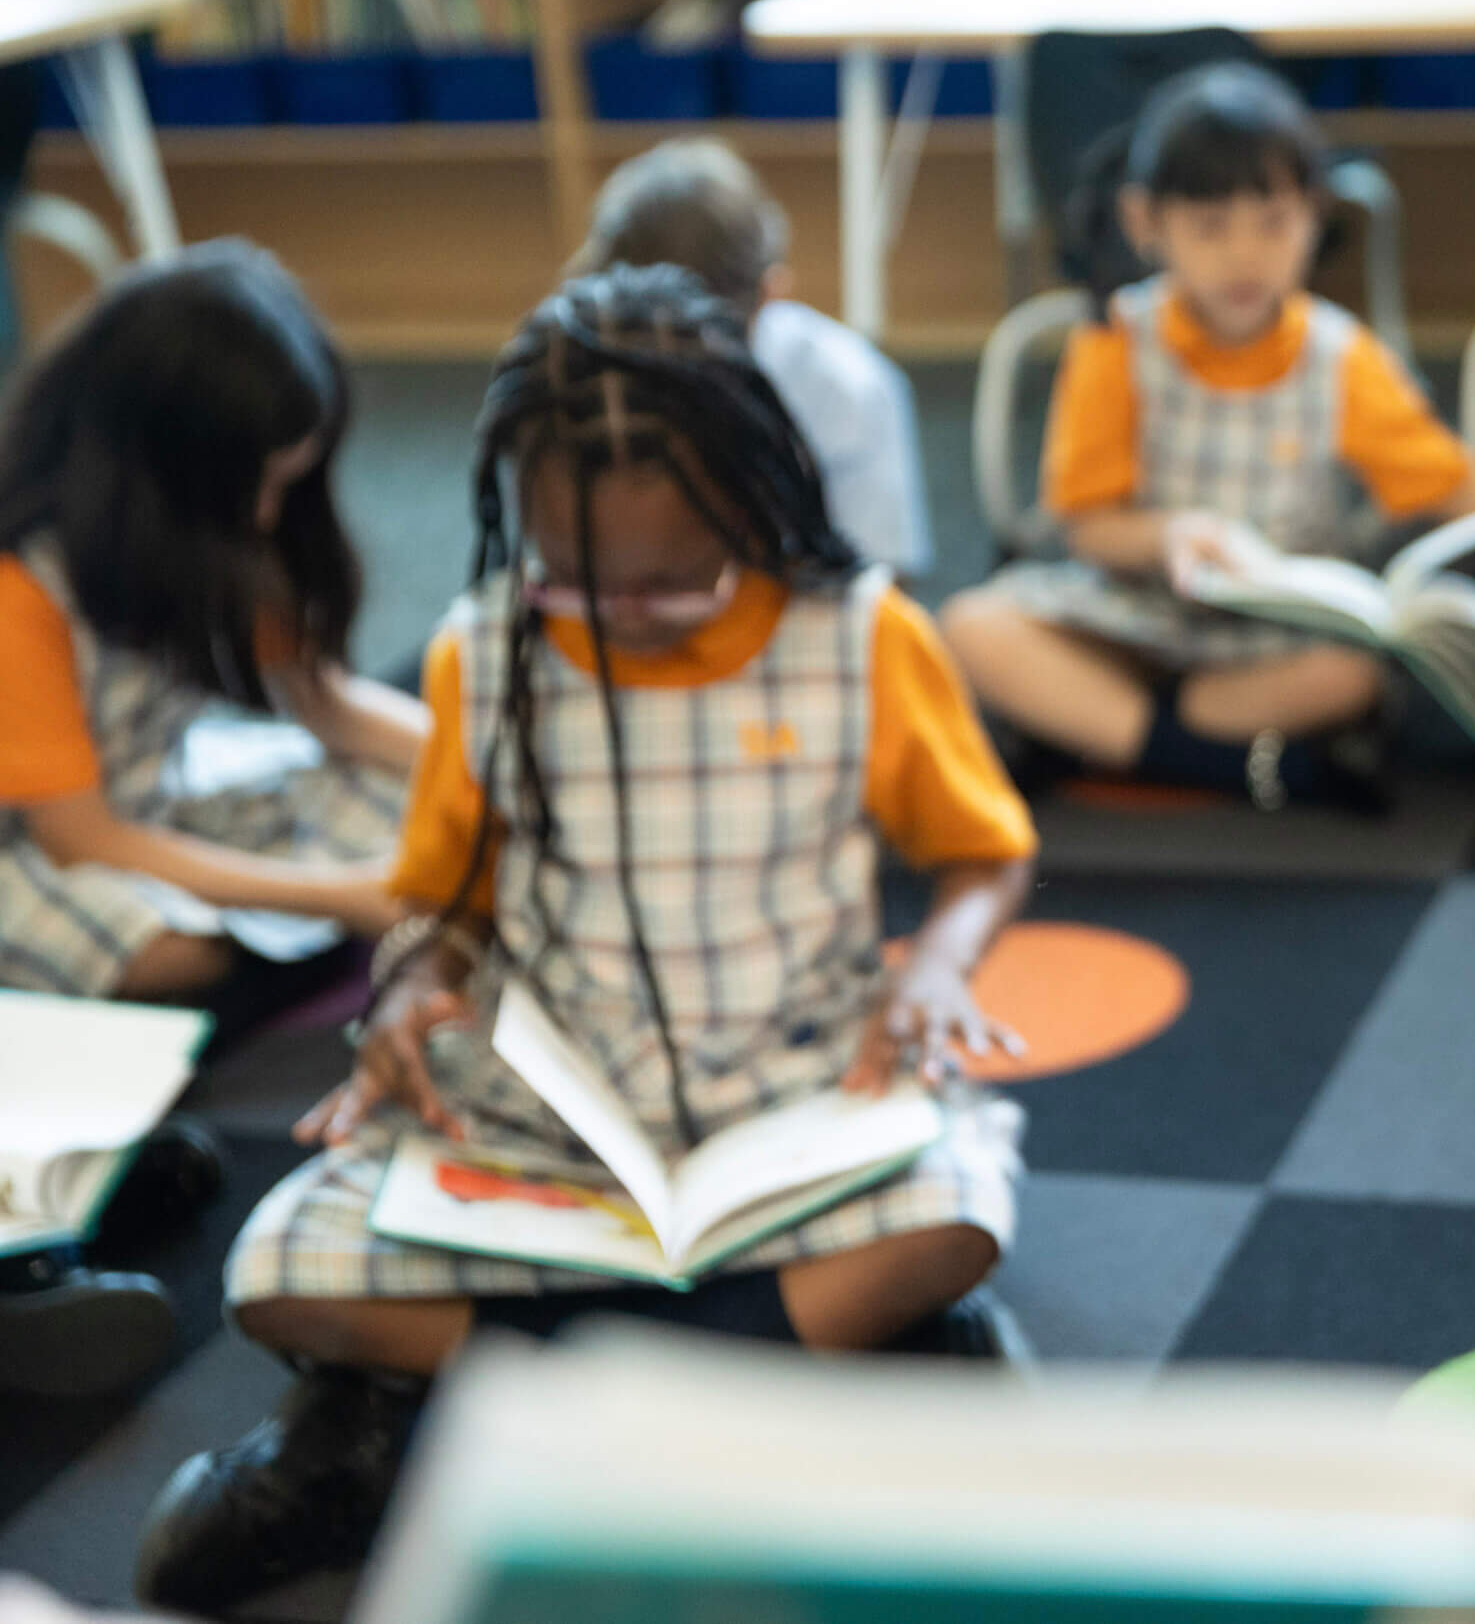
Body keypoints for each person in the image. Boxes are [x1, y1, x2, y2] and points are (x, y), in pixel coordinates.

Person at [133, 265, 1038, 1612]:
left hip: (798, 1098)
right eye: (574, 581)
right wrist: (407, 997)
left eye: (670, 583)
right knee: (273, 1273)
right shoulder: (483, 654)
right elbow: (442, 907)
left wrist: (946, 964)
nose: (616, 615)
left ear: (753, 493)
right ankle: (806, 1368)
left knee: (957, 1220)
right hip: (548, 1122)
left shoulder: (862, 639)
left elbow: (984, 852)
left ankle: (399, 1427)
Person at [940, 61, 1475, 812]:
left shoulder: (1339, 353)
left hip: (1274, 640)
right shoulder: (1118, 338)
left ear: (1314, 217)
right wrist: (1169, 536)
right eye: (1211, 226)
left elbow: (1451, 484)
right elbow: (1088, 527)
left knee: (1352, 677)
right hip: (1135, 618)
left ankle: (1115, 734)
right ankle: (1222, 762)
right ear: (1144, 223)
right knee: (972, 626)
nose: (1244, 254)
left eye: (1274, 222)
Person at [0, 240, 421, 1002]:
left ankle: (290, 944)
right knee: (168, 952)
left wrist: (487, 767)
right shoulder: (21, 590)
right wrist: (343, 895)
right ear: (156, 473)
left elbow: (328, 707)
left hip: (161, 796)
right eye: (254, 485)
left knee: (410, 810)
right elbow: (80, 841)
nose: (267, 514)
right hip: (42, 847)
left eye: (285, 483)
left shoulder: (219, 537)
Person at [574, 135, 935, 577]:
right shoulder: (559, 382)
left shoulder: (849, 388)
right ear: (773, 286)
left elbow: (882, 581)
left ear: (770, 295)